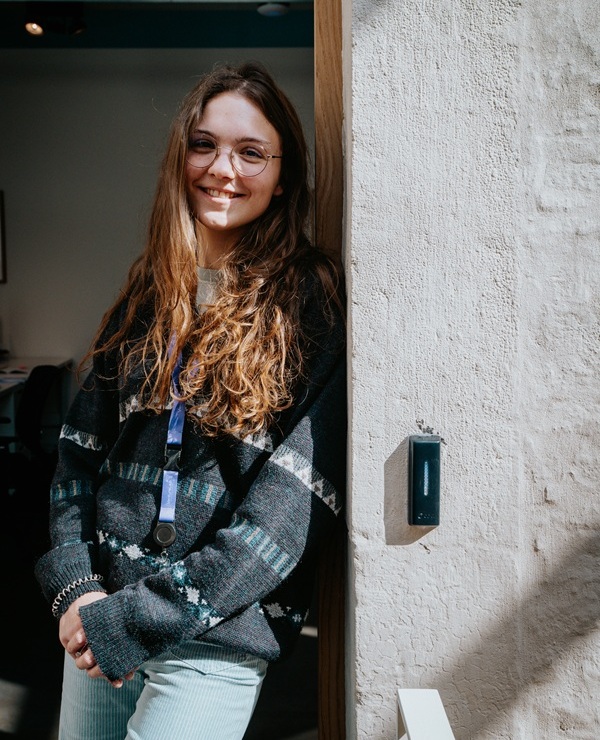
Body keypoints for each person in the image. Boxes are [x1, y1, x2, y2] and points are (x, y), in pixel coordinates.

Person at [34, 61, 346, 740]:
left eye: (251, 152)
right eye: (204, 145)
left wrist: (140, 619)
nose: (221, 169)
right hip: (101, 618)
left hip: (212, 640)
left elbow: (289, 513)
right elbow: (77, 459)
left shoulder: (308, 303)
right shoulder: (149, 291)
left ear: (283, 175)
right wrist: (78, 587)